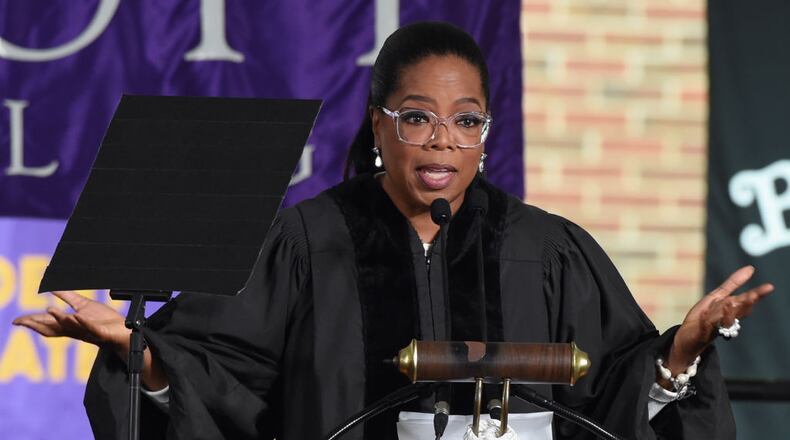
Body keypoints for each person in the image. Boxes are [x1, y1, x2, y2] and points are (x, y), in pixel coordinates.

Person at [14, 22, 773, 440]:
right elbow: (223, 387)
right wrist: (140, 354)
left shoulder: (545, 249)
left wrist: (679, 352)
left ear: (485, 134)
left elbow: (613, 390)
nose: (443, 140)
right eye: (418, 117)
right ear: (379, 124)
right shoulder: (307, 243)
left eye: (467, 121)